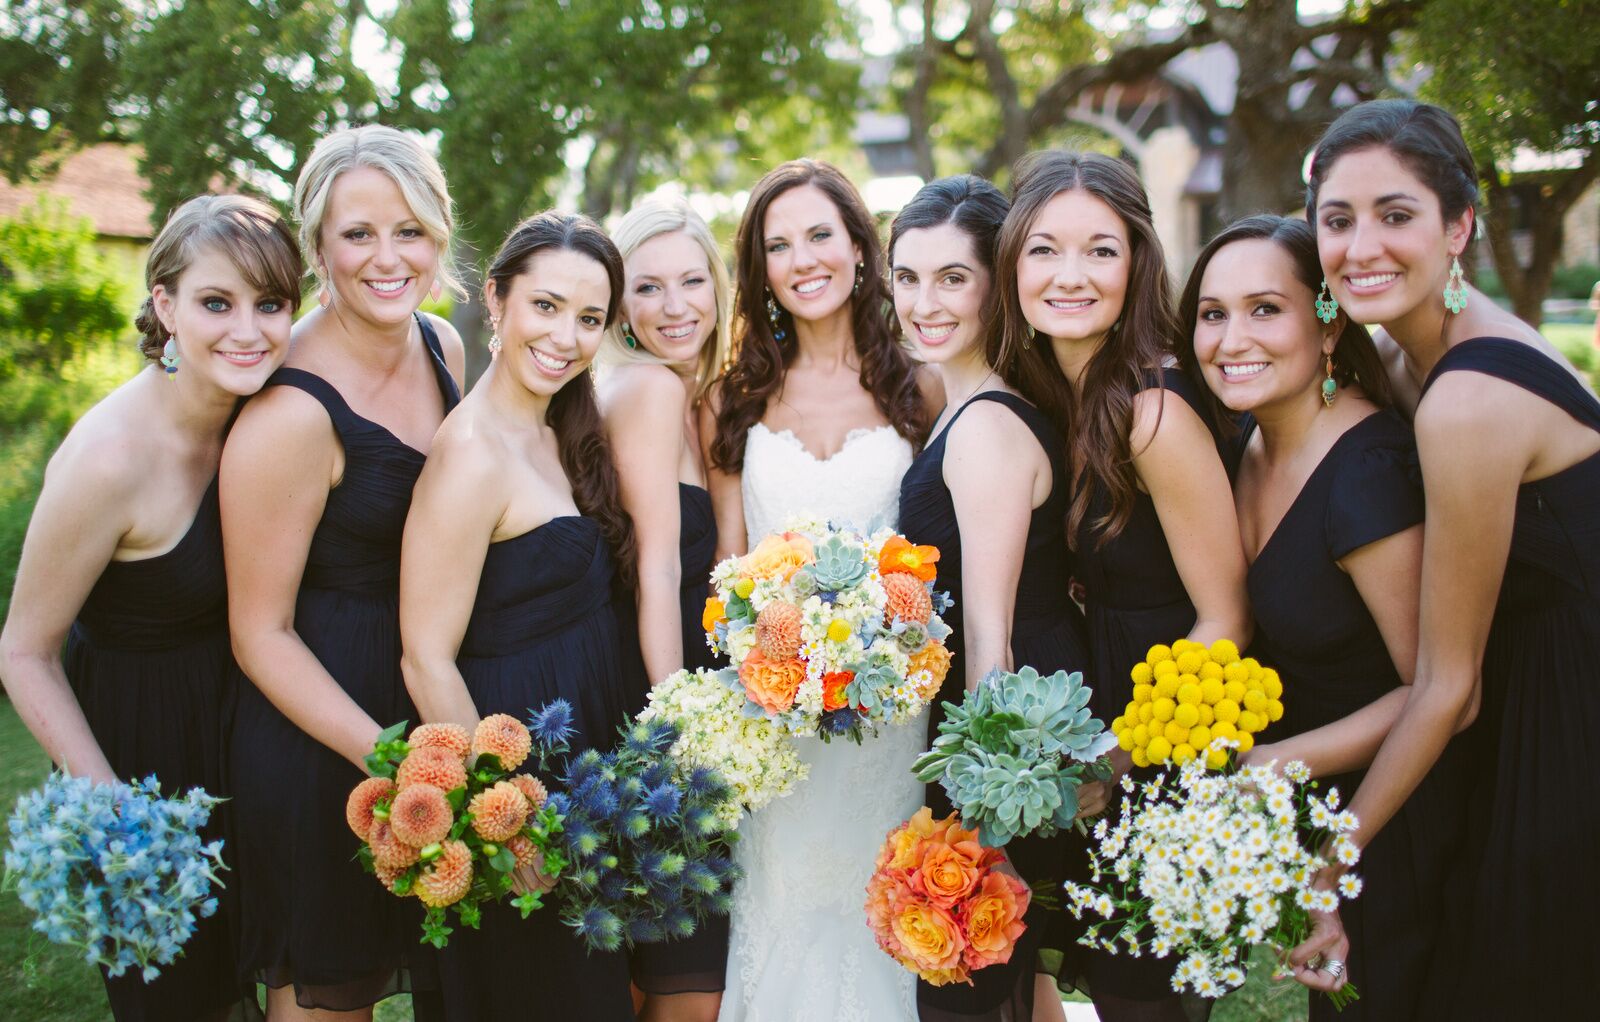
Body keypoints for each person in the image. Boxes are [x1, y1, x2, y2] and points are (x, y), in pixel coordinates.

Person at [1298, 98, 1600, 1020]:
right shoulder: (1404, 354)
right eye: (1337, 221)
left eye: (1397, 216)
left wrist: (1327, 862)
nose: (1362, 247)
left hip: (1570, 714)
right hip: (1522, 687)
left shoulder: (1467, 399)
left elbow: (1448, 686)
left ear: (1458, 226)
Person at [0, 194, 299, 1022]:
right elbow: (23, 651)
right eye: (216, 302)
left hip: (243, 733)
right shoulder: (110, 459)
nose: (249, 330)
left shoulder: (260, 411)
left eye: (270, 304)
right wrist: (121, 822)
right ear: (164, 306)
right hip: (141, 756)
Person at [1178, 214, 1468, 1020]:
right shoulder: (1246, 440)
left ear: (1328, 325)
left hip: (1403, 820)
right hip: (1318, 809)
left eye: (1266, 309)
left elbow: (1442, 688)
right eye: (1212, 313)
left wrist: (1274, 764)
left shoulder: (1367, 473)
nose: (1232, 338)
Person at [992, 149, 1251, 1022]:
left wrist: (1121, 754)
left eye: (1100, 250)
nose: (1071, 276)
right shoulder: (1043, 390)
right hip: (1091, 741)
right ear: (1012, 261)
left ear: (1137, 262)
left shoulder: (1155, 410)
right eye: (1044, 250)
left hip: (1160, 757)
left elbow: (1227, 616)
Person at [222, 124, 464, 1020]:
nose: (386, 257)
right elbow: (259, 632)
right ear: (318, 245)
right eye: (357, 234)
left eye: (409, 230)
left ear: (440, 234)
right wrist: (391, 760)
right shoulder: (287, 411)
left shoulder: (444, 348)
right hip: (320, 736)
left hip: (425, 708)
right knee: (328, 1001)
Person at [702, 158, 936, 1022]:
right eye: (777, 245)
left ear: (859, 248)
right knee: (786, 913)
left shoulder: (922, 382)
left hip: (892, 720)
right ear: (758, 271)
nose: (803, 259)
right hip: (779, 720)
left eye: (819, 235)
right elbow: (727, 577)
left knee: (885, 923)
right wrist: (772, 657)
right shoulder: (732, 400)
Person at [398, 210, 638, 1021]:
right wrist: (512, 823)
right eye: (546, 305)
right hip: (520, 785)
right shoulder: (470, 452)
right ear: (495, 301)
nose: (566, 336)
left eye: (590, 318)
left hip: (581, 769)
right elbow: (425, 658)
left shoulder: (552, 426)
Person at [892, 174, 1091, 1022]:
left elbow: (990, 638)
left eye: (951, 278)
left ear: (996, 286)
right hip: (996, 734)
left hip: (1000, 739)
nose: (923, 302)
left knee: (972, 991)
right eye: (906, 277)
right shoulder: (964, 402)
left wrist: (979, 829)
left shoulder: (983, 427)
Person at [596, 198, 731, 1022]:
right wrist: (674, 725)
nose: (675, 306)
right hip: (658, 686)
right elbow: (654, 572)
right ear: (619, 304)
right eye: (648, 288)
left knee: (669, 965)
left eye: (691, 282)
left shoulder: (696, 390)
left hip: (692, 675)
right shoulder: (646, 389)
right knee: (687, 980)